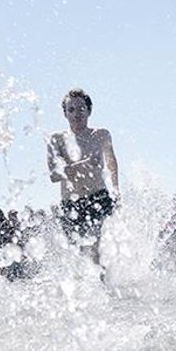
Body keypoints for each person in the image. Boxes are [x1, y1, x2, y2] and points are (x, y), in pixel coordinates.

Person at [47, 88, 120, 266]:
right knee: (79, 256)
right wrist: (84, 164)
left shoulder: (101, 135)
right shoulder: (56, 139)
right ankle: (88, 282)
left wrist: (116, 190)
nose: (76, 114)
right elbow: (54, 175)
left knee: (96, 249)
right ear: (65, 114)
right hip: (71, 203)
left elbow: (112, 163)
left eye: (81, 109)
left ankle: (105, 282)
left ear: (89, 110)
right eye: (71, 110)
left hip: (98, 197)